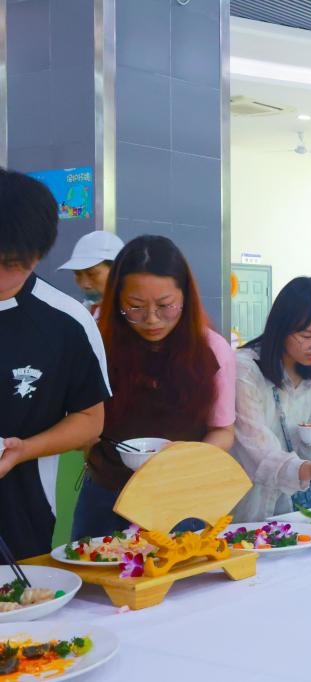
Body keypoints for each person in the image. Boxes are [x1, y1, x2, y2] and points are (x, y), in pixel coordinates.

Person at [72, 236, 235, 538]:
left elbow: (223, 430)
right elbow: (82, 420)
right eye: (135, 307)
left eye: (165, 306)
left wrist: (185, 457)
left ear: (186, 298)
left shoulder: (212, 350)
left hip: (179, 497)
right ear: (116, 299)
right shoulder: (97, 344)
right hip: (106, 494)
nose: (151, 319)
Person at [0, 169, 110, 560]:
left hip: (20, 514)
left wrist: (25, 449)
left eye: (10, 263)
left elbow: (90, 420)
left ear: (37, 255)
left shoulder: (67, 322)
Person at [229, 277, 311, 522]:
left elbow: (298, 444)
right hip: (240, 507)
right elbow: (255, 449)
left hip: (286, 512)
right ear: (282, 327)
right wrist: (306, 469)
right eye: (307, 335)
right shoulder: (244, 369)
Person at [57, 231, 124, 320]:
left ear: (118, 270)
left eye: (92, 274)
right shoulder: (81, 313)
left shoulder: (133, 316)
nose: (84, 284)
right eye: (77, 274)